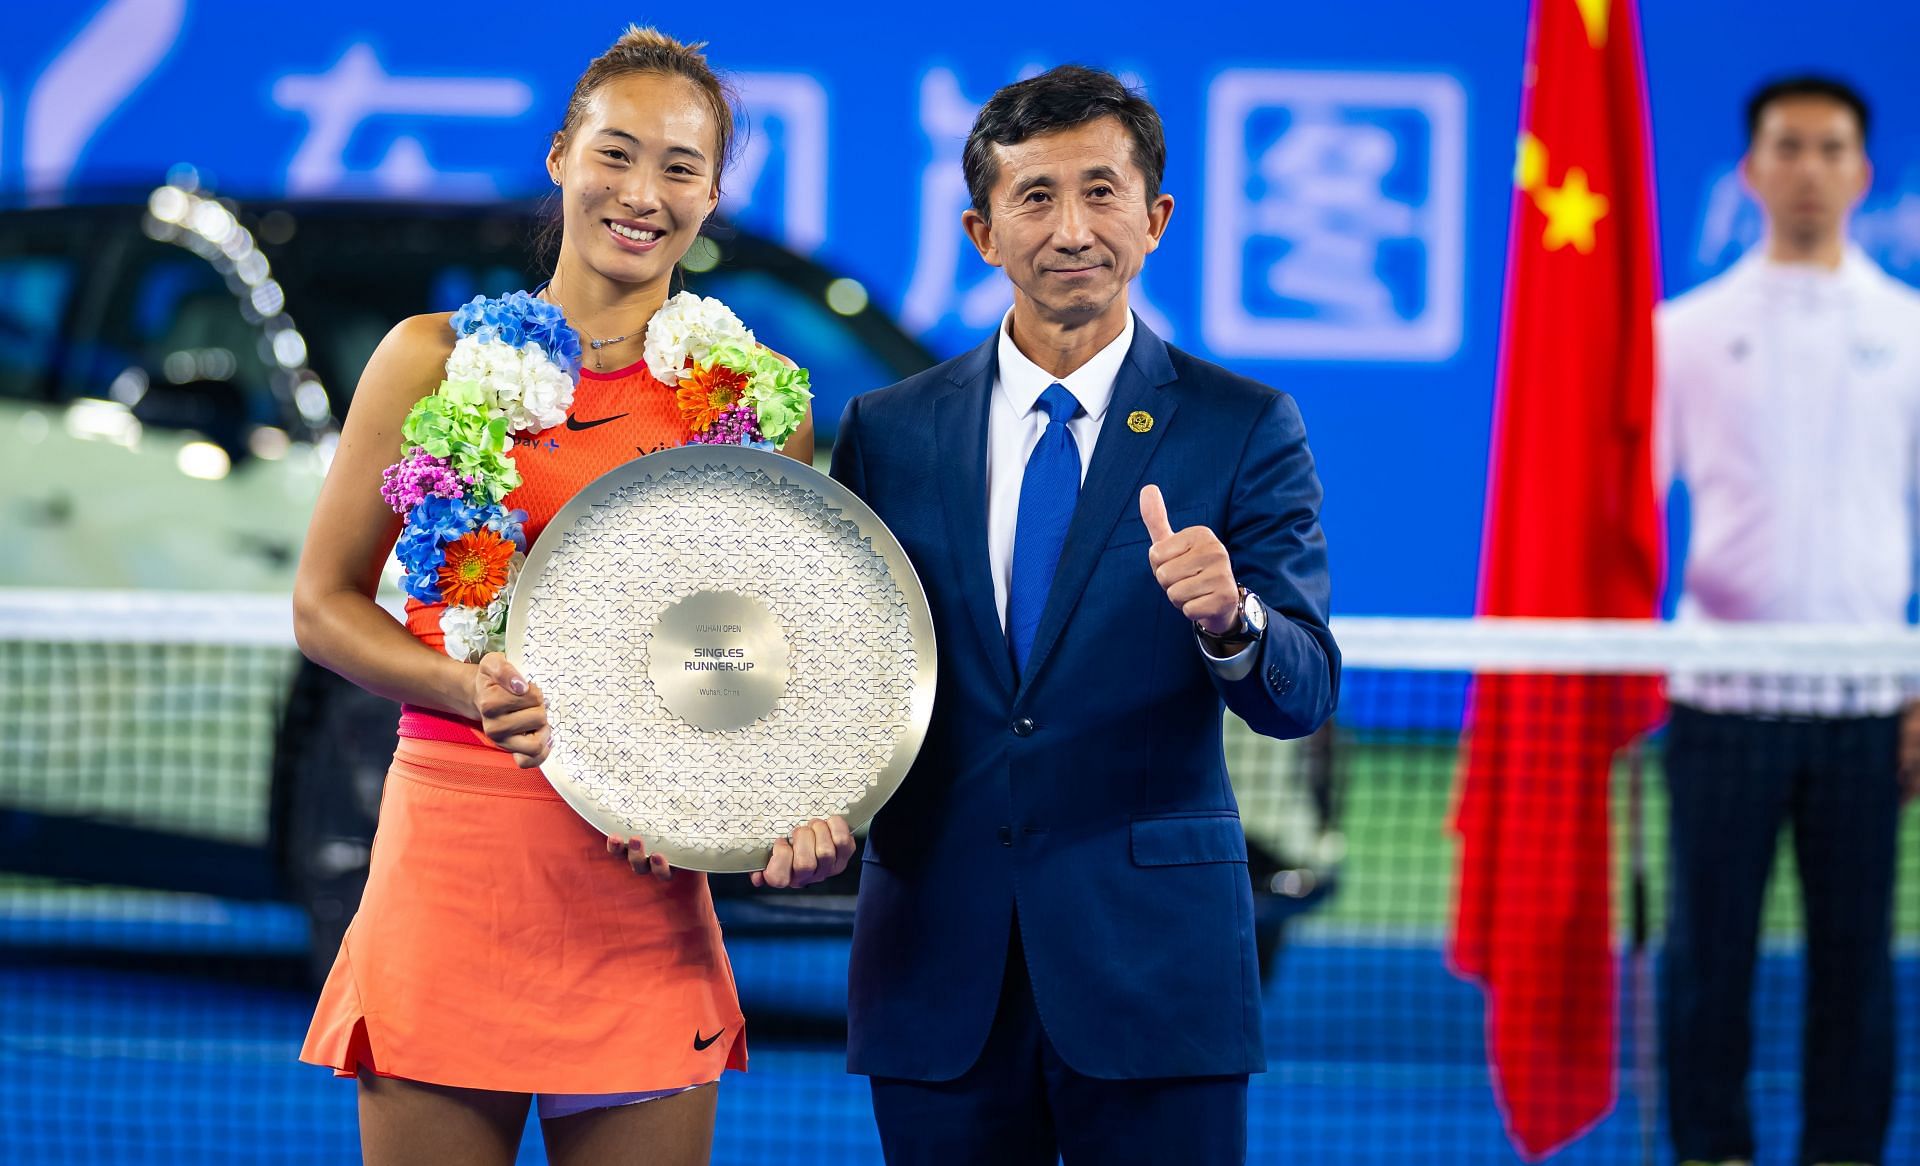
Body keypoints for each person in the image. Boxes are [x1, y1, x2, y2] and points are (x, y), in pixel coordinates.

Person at [291, 27, 853, 1166]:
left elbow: (762, 665)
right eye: (617, 152)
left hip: (641, 889)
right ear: (561, 157)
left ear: (710, 196)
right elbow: (322, 605)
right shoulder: (428, 358)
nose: (643, 193)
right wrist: (465, 682)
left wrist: (747, 805)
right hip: (454, 863)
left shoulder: (758, 408)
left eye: (682, 167)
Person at [830, 65, 1339, 1164]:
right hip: (936, 968)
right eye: (1036, 197)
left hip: (1156, 975)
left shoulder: (1244, 425)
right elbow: (847, 667)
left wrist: (1232, 618)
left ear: (1155, 218)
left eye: (1103, 192)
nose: (1073, 229)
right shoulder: (887, 430)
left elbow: (1303, 691)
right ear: (982, 230)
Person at [1655, 75, 1920, 1166]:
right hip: (1719, 700)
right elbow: (1624, 518)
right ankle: (1712, 1150)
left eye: (1830, 149)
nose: (1808, 169)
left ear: (1860, 174)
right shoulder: (1684, 332)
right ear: (1752, 171)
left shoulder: (1909, 333)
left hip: (1866, 706)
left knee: (1856, 961)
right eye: (1787, 147)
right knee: (1707, 955)